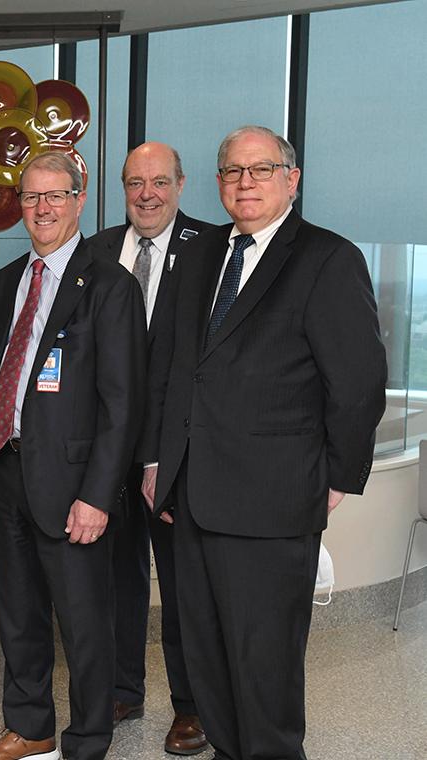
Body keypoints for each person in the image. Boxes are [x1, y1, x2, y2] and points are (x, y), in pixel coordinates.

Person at [141, 125, 386, 760]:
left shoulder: (327, 259)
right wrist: (158, 462)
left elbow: (358, 384)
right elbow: (174, 367)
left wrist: (336, 478)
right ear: (218, 182)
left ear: (291, 179)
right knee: (207, 660)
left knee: (265, 668)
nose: (245, 182)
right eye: (232, 171)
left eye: (261, 170)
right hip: (192, 498)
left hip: (275, 503)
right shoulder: (201, 254)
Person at [0, 153, 146, 760]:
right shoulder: (6, 281)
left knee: (84, 622)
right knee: (18, 614)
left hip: (74, 484)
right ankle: (30, 728)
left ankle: (88, 740)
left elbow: (123, 403)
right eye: (31, 196)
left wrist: (98, 495)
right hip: (9, 467)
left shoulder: (110, 285)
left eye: (55, 196)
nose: (42, 208)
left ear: (79, 200)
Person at [86, 142, 211, 755]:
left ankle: (191, 706)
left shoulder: (211, 250)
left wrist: (163, 455)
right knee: (115, 577)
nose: (147, 194)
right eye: (135, 182)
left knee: (184, 587)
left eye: (159, 181)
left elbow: (200, 365)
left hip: (177, 452)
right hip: (105, 451)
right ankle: (122, 689)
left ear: (181, 185)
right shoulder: (96, 250)